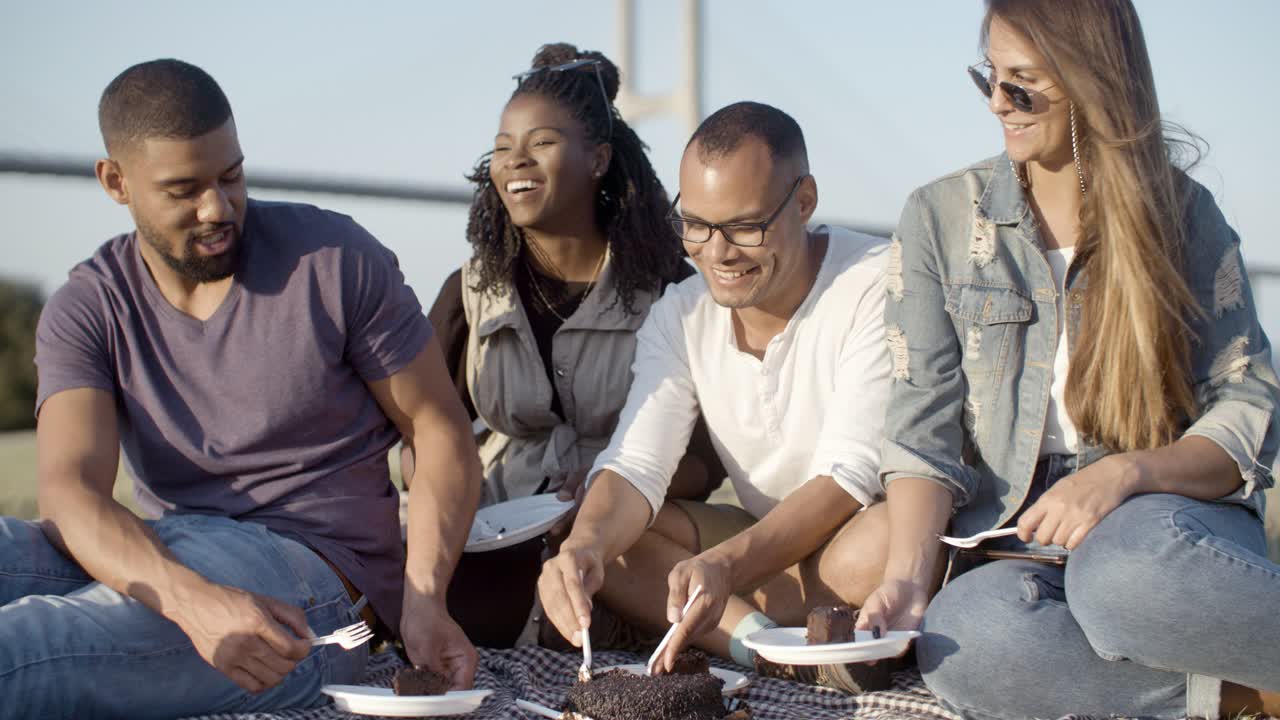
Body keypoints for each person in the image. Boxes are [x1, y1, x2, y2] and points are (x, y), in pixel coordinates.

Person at [0, 59, 482, 719]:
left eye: (232, 176)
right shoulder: (89, 304)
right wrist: (190, 601)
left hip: (319, 588)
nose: (217, 208)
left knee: (24, 651)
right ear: (116, 181)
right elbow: (69, 491)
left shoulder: (334, 259)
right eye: (184, 188)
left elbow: (437, 428)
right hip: (174, 557)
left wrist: (425, 600)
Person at [861, 1, 1280, 718]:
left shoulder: (1184, 216)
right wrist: (907, 577)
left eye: (1022, 83)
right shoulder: (939, 218)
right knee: (967, 641)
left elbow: (1250, 403)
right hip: (1016, 539)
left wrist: (1127, 473)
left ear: (1093, 81)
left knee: (1121, 579)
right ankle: (1245, 695)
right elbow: (920, 431)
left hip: (1162, 516)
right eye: (989, 77)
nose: (999, 104)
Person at [537, 101, 894, 685]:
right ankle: (767, 648)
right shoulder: (680, 314)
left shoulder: (876, 282)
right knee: (613, 550)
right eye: (696, 225)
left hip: (853, 527)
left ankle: (719, 617)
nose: (717, 252)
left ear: (804, 202)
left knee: (889, 538)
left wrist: (724, 568)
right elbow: (636, 464)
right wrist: (583, 550)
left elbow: (850, 475)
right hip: (759, 539)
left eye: (745, 226)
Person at [406, 43, 723, 648]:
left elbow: (705, 463)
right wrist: (450, 499)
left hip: (620, 552)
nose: (515, 161)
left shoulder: (671, 292)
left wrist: (607, 491)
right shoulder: (469, 291)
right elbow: (422, 432)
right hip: (487, 541)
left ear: (599, 158)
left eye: (542, 142)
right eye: (502, 147)